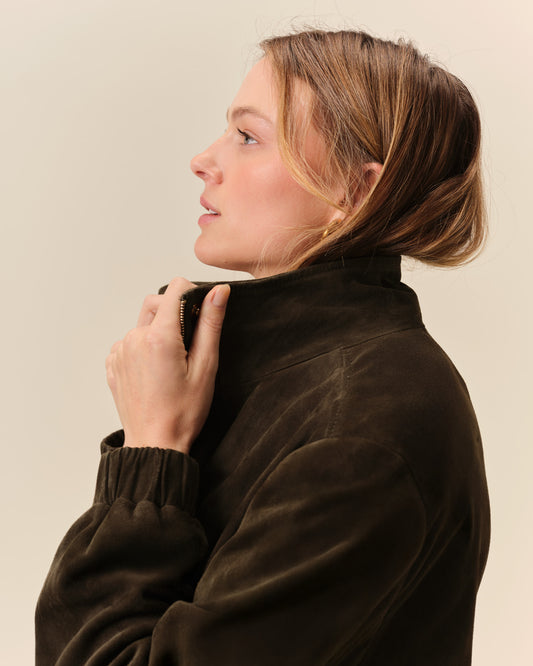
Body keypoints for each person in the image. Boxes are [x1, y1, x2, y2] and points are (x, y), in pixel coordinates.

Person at [35, 29, 490, 665]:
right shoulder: (308, 382)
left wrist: (149, 454)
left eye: (248, 137)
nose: (203, 159)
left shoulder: (364, 424)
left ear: (355, 192)